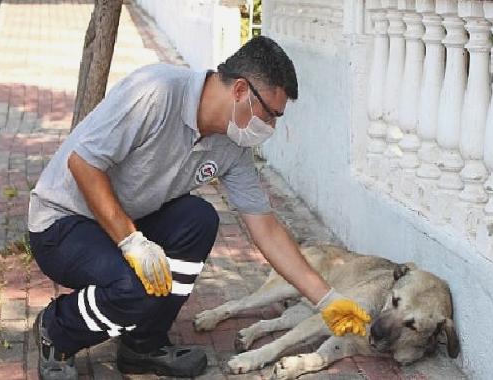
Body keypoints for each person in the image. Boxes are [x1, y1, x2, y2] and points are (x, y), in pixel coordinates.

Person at [28, 36, 371, 380]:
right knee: (134, 287)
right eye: (270, 114)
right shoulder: (156, 92)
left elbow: (266, 229)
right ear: (240, 90)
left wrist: (326, 299)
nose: (271, 127)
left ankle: (142, 345)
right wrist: (132, 242)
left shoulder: (232, 146)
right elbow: (83, 164)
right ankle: (56, 331)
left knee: (198, 218)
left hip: (128, 219)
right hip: (63, 223)